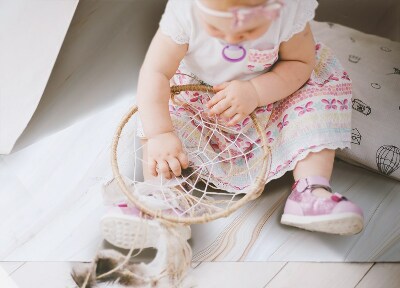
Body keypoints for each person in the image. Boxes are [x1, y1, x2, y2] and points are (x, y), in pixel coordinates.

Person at [101, 0, 364, 250]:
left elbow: (299, 63)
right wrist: (161, 134)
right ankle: (162, 198)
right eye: (215, 28)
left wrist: (256, 91)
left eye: (248, 31)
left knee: (319, 94)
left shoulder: (289, 11)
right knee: (157, 108)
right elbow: (155, 72)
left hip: (274, 91)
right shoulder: (184, 11)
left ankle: (311, 189)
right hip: (201, 100)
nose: (230, 39)